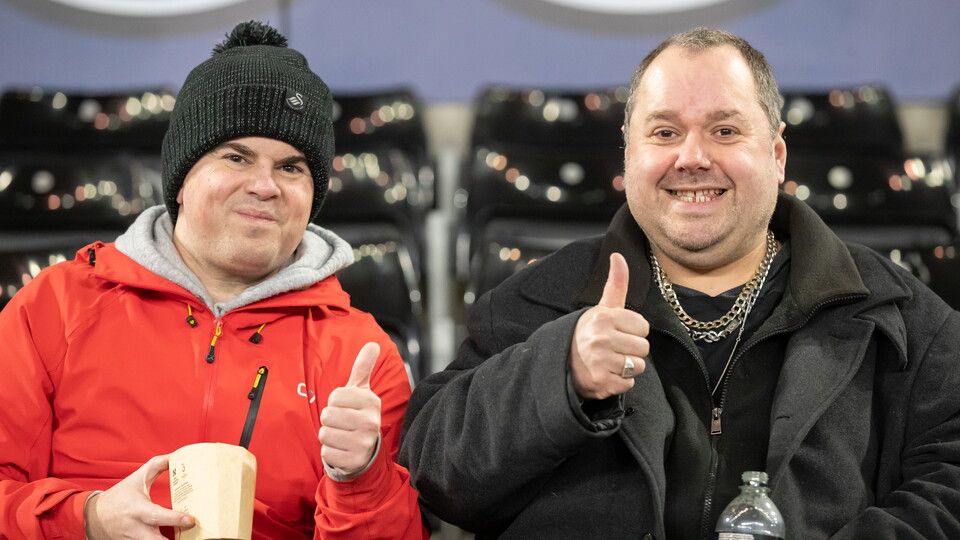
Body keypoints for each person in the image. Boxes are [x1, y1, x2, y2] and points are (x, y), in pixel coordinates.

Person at [400, 26, 960, 539]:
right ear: (629, 152)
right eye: (665, 132)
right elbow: (435, 473)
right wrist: (557, 376)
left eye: (724, 130)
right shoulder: (537, 300)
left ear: (777, 153)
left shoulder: (900, 313)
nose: (691, 158)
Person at [0, 21, 426, 539]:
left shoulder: (360, 356)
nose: (265, 186)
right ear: (181, 179)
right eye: (236, 157)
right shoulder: (53, 306)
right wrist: (88, 518)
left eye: (292, 168)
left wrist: (360, 477)